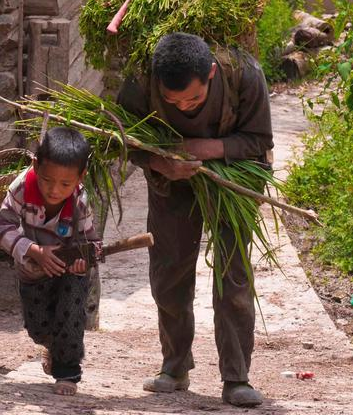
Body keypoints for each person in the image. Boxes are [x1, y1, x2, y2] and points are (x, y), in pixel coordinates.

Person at [117, 32, 274, 407]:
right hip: (171, 183)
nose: (184, 107)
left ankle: (236, 377)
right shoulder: (140, 85)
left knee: (232, 273)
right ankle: (174, 366)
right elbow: (124, 139)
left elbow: (258, 139)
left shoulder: (245, 74)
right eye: (174, 101)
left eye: (194, 98)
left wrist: (207, 148)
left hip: (233, 178)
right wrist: (161, 163)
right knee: (169, 271)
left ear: (212, 74)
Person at [0, 126, 101, 396]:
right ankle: (53, 347)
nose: (54, 190)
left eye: (65, 184)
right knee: (38, 327)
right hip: (32, 272)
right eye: (47, 180)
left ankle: (67, 373)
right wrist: (34, 250)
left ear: (80, 177)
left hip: (69, 272)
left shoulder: (80, 201)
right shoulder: (20, 189)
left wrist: (82, 261)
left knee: (70, 315)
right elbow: (1, 227)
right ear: (36, 165)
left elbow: (91, 243)